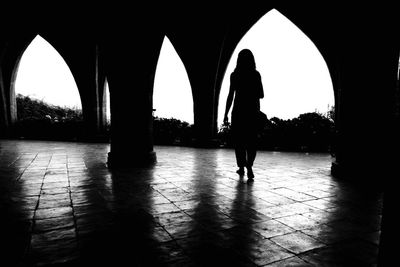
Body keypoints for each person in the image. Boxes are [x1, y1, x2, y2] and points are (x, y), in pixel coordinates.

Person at [224, 49, 264, 180]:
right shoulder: (256, 74)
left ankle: (241, 167)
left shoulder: (234, 75)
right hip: (252, 112)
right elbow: (261, 95)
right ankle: (250, 166)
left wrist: (225, 113)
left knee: (239, 142)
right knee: (252, 142)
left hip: (238, 112)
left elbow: (230, 95)